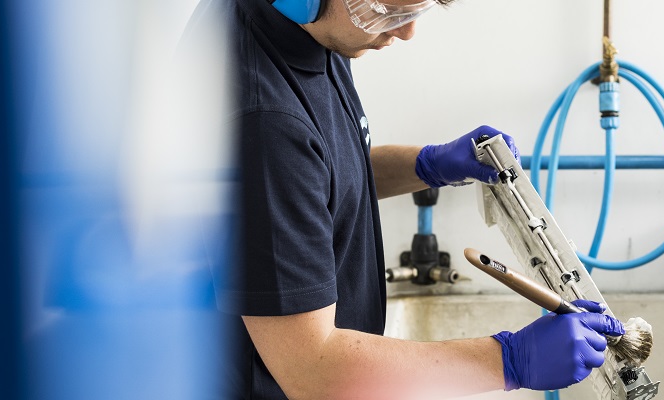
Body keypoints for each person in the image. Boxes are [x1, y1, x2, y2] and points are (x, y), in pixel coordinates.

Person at [179, 0, 625, 398]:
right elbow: (312, 372)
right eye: (388, 11)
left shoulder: (304, 30)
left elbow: (311, 180)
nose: (406, 32)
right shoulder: (266, 119)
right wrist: (507, 360)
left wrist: (428, 164)